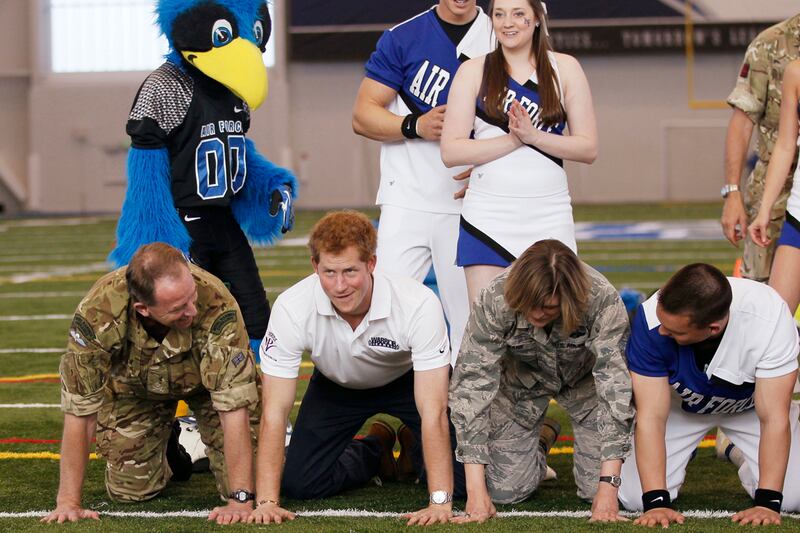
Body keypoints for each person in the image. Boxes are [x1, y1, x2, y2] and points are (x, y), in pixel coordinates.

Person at [249, 211, 465, 526]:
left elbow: (434, 410)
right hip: (336, 385)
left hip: (407, 381)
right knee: (300, 484)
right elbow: (274, 411)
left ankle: (412, 446)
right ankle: (373, 449)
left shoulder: (417, 303)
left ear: (371, 264)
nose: (339, 286)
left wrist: (440, 502)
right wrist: (267, 502)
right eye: (329, 272)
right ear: (315, 267)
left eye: (350, 271)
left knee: (458, 483)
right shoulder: (291, 306)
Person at [41, 243, 261, 525]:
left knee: (255, 480)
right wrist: (68, 502)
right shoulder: (99, 312)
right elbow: (80, 412)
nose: (192, 310)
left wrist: (240, 499)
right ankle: (167, 445)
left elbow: (234, 408)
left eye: (191, 297)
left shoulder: (216, 300)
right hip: (136, 391)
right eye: (179, 308)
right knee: (129, 492)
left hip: (209, 389)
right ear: (143, 309)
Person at [449, 239, 633, 524]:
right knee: (504, 492)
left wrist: (608, 489)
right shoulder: (495, 298)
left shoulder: (601, 299)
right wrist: (476, 494)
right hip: (520, 385)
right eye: (527, 304)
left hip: (586, 385)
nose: (536, 313)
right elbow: (472, 387)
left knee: (603, 492)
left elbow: (615, 388)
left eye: (547, 307)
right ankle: (541, 440)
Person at [352, 0, 494, 362]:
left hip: (471, 205)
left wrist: (492, 172)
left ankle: (466, 416)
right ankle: (403, 410)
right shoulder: (403, 37)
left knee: (473, 327)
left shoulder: (499, 36)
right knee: (381, 323)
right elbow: (363, 114)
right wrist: (414, 125)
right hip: (407, 199)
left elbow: (524, 124)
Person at [440, 0, 597, 303]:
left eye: (518, 14)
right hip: (487, 215)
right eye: (499, 14)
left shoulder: (564, 68)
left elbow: (587, 147)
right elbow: (451, 150)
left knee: (557, 323)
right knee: (487, 327)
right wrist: (514, 141)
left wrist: (533, 136)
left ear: (537, 19)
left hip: (549, 213)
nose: (507, 23)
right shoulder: (473, 70)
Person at [620, 263, 800, 528]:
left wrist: (767, 502)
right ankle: (685, 450)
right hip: (681, 407)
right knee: (636, 498)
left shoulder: (769, 317)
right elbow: (651, 416)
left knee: (790, 499)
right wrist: (657, 503)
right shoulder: (651, 319)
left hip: (749, 406)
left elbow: (774, 416)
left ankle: (734, 448)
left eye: (676, 331)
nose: (662, 332)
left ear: (712, 328)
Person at [720, 13, 800, 282]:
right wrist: (732, 192)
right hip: (774, 197)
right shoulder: (770, 44)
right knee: (761, 295)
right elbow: (742, 122)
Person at [749, 59, 800, 314]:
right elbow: (786, 145)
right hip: (798, 215)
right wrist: (764, 209)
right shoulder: (796, 71)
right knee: (777, 321)